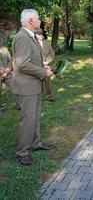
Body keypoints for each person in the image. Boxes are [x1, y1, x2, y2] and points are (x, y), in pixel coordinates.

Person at [12, 9, 54, 166]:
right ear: (30, 21)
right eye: (38, 19)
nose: (40, 21)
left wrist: (43, 66)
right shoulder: (22, 37)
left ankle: (35, 143)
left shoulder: (30, 36)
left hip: (33, 85)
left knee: (35, 117)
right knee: (28, 119)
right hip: (26, 87)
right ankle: (22, 152)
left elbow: (30, 60)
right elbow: (23, 64)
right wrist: (43, 72)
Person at [35, 28, 55, 101]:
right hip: (37, 66)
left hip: (46, 65)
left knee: (47, 81)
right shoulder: (32, 44)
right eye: (38, 34)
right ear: (35, 35)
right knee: (37, 81)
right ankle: (36, 97)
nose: (41, 35)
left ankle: (49, 96)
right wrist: (40, 63)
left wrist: (47, 62)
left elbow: (52, 54)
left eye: (41, 34)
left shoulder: (47, 42)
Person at [0, 45, 14, 114]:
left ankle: (20, 105)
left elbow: (10, 60)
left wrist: (8, 69)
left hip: (8, 73)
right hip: (2, 73)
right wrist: (3, 71)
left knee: (15, 87)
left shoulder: (4, 49)